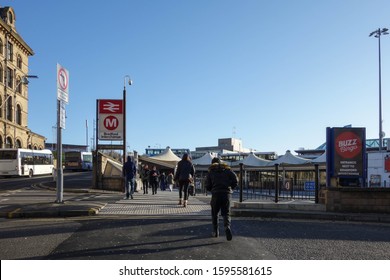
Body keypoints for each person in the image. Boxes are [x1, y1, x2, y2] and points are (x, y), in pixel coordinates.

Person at [204, 157, 238, 241]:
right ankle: (227, 227)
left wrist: (212, 189)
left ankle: (215, 232)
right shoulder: (227, 170)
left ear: (212, 164)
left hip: (215, 194)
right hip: (226, 194)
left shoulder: (211, 172)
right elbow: (235, 180)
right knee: (226, 213)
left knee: (215, 213)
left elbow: (207, 185)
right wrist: (230, 188)